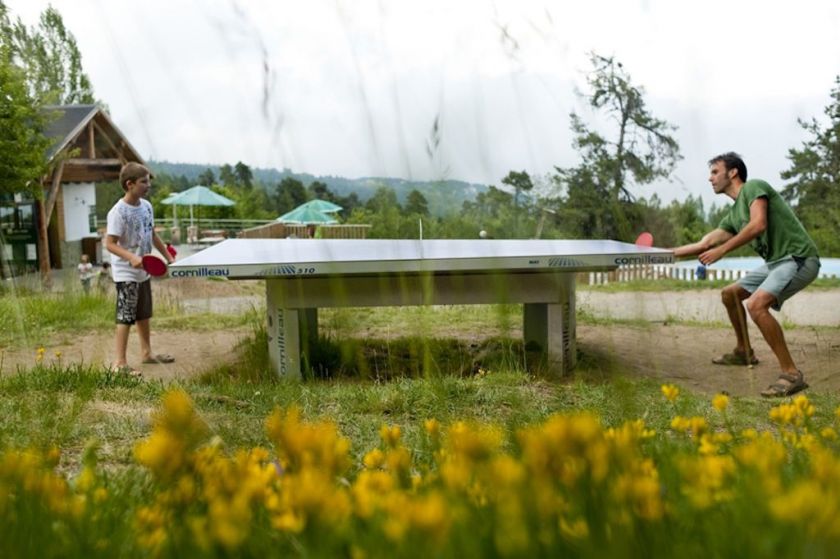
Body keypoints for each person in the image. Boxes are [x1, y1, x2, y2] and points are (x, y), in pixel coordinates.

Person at [672, 152, 820, 397]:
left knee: (756, 305)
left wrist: (722, 250)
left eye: (715, 172)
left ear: (733, 172)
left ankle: (791, 374)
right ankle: (744, 351)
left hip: (798, 257)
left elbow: (758, 224)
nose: (710, 178)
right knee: (730, 294)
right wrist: (658, 253)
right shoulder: (733, 216)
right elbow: (703, 244)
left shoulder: (754, 187)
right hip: (776, 263)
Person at [103, 162, 176, 376]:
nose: (148, 185)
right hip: (126, 273)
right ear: (130, 184)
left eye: (149, 181)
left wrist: (168, 257)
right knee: (126, 315)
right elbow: (110, 243)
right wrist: (131, 257)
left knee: (144, 313)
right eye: (144, 181)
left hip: (144, 271)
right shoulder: (117, 212)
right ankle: (119, 363)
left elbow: (152, 234)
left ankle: (147, 353)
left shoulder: (147, 207)